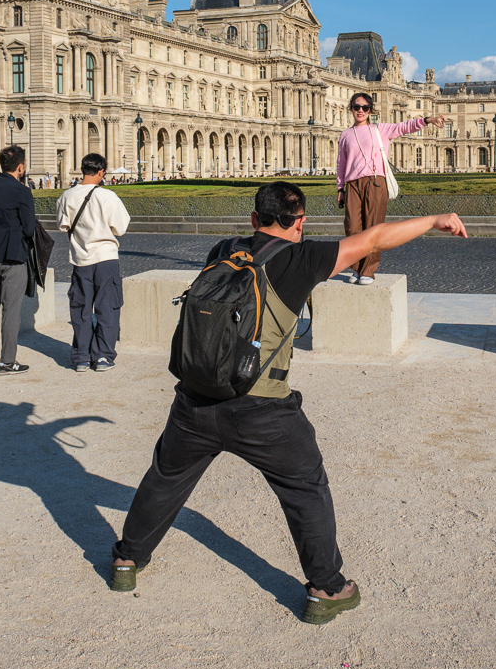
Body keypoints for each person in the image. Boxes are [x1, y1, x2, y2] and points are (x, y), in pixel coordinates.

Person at [111, 181, 468, 623]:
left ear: (254, 219)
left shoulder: (224, 248)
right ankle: (327, 588)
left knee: (165, 478)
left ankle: (127, 560)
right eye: (301, 220)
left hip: (195, 400)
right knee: (305, 489)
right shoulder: (303, 259)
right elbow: (374, 238)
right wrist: (435, 220)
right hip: (262, 409)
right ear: (298, 222)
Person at [336, 93, 445, 285]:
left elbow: (404, 127)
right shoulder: (345, 135)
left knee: (374, 227)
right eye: (356, 107)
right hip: (353, 184)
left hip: (376, 182)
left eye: (365, 107)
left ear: (370, 110)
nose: (360, 111)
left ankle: (368, 271)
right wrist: (340, 188)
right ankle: (356, 267)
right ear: (351, 108)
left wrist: (428, 120)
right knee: (352, 227)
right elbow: (341, 164)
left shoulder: (381, 129)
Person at [56, 154, 130, 373]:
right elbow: (121, 228)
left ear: (82, 170)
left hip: (80, 260)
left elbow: (62, 226)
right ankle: (103, 356)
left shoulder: (67, 196)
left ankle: (81, 357)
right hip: (106, 258)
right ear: (101, 172)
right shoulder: (108, 197)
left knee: (80, 308)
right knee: (107, 307)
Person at [0, 145, 38, 375]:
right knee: (10, 310)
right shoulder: (22, 191)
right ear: (20, 167)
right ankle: (6, 362)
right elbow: (29, 228)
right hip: (14, 256)